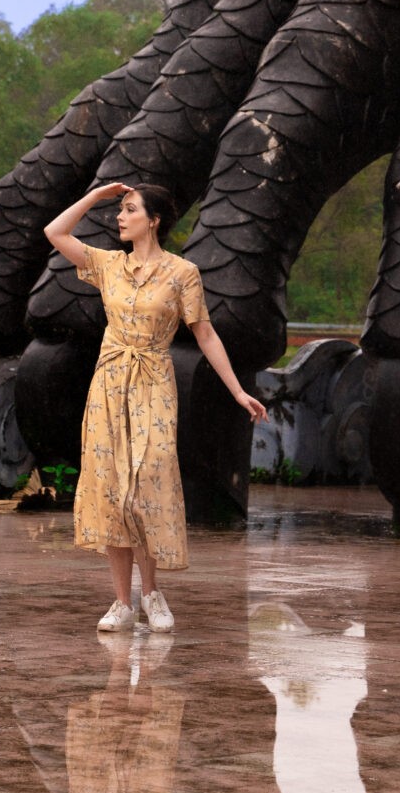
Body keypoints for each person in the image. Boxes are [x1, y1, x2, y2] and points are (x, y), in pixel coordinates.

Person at [44, 181, 268, 634]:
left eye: (129, 210)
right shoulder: (108, 265)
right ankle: (122, 602)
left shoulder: (182, 273)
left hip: (153, 384)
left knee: (146, 486)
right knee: (112, 492)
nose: (119, 218)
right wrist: (94, 197)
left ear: (154, 220)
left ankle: (152, 594)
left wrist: (237, 391)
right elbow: (55, 232)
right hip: (109, 383)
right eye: (119, 211)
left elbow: (205, 333)